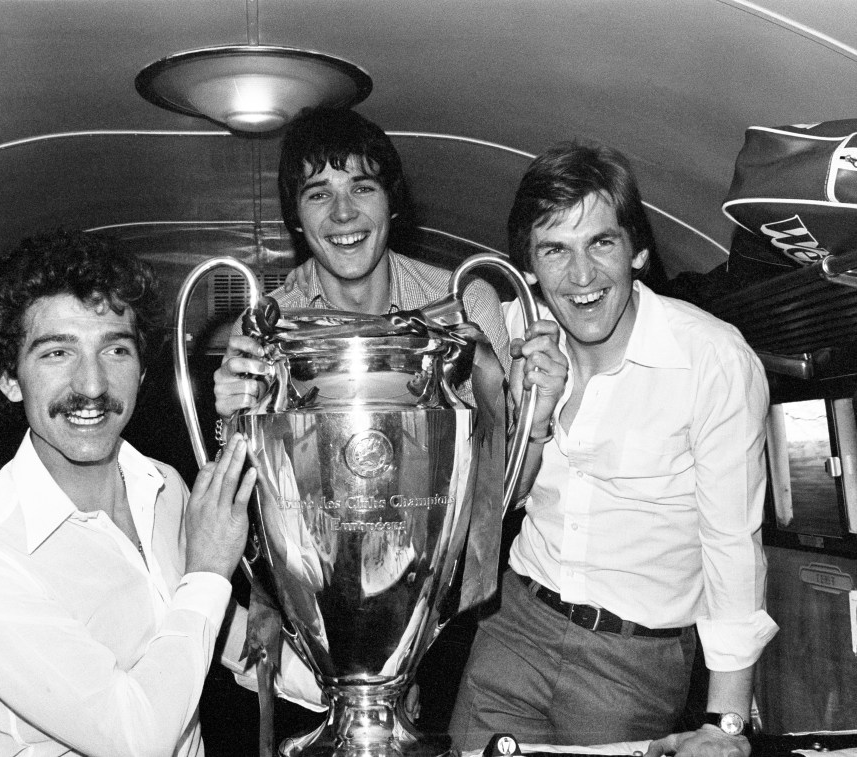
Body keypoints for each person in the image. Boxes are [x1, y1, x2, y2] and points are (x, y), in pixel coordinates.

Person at [0, 230, 319, 757]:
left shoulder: (164, 487)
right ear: (9, 379)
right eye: (57, 352)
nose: (91, 384)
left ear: (143, 370)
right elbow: (134, 738)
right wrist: (206, 571)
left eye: (115, 349)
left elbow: (217, 632)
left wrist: (358, 688)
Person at [449, 142, 779, 757]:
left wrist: (725, 725)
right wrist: (534, 418)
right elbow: (493, 509)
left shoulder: (712, 359)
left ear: (639, 252)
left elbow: (733, 544)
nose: (581, 276)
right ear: (529, 268)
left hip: (633, 660)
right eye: (556, 250)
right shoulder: (518, 342)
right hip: (514, 628)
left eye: (600, 243)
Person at [212, 105, 510, 419]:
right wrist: (233, 421)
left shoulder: (466, 302)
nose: (343, 213)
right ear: (296, 217)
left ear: (391, 203)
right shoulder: (261, 327)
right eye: (319, 195)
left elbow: (496, 455)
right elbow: (248, 463)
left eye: (362, 188)